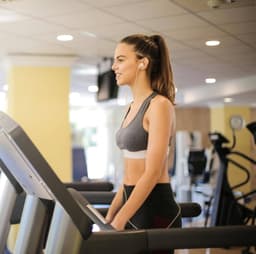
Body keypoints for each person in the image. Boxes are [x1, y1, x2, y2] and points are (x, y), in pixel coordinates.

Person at [106, 34, 181, 253]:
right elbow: (130, 174)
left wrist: (121, 218)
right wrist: (113, 212)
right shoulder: (131, 106)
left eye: (120, 60)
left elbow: (152, 172)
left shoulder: (159, 105)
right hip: (132, 202)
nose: (113, 67)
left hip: (154, 206)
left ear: (143, 63)